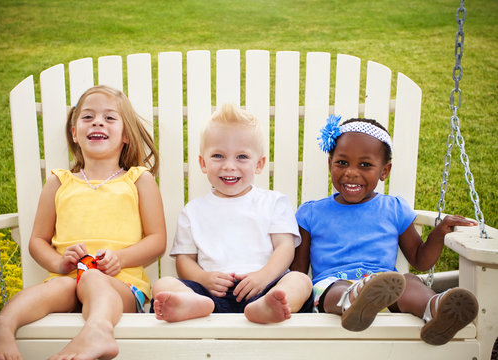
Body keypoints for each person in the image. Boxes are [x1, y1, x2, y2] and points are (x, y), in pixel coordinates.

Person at [0, 85, 166, 360]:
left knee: (93, 279)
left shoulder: (137, 180)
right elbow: (38, 240)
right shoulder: (59, 182)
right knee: (57, 286)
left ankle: (98, 330)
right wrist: (59, 263)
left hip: (121, 286)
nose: (98, 122)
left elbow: (157, 239)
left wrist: (120, 259)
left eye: (110, 118)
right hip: (68, 278)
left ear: (125, 135)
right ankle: (1, 324)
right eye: (87, 117)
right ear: (75, 133)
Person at [291, 115, 479, 345]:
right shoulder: (310, 213)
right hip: (332, 288)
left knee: (408, 281)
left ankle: (437, 311)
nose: (351, 172)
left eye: (365, 165)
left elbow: (420, 260)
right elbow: (298, 272)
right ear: (330, 163)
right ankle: (352, 301)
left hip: (385, 288)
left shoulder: (394, 208)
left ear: (384, 171)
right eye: (342, 162)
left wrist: (438, 234)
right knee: (333, 288)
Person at [151, 103, 313, 324]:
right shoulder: (193, 211)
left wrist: (263, 277)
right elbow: (184, 260)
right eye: (218, 156)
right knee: (163, 284)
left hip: (264, 288)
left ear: (259, 164)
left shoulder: (273, 202)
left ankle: (269, 307)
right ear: (202, 163)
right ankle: (190, 303)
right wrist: (203, 278)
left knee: (300, 280)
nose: (229, 166)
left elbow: (284, 248)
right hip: (210, 295)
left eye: (242, 157)